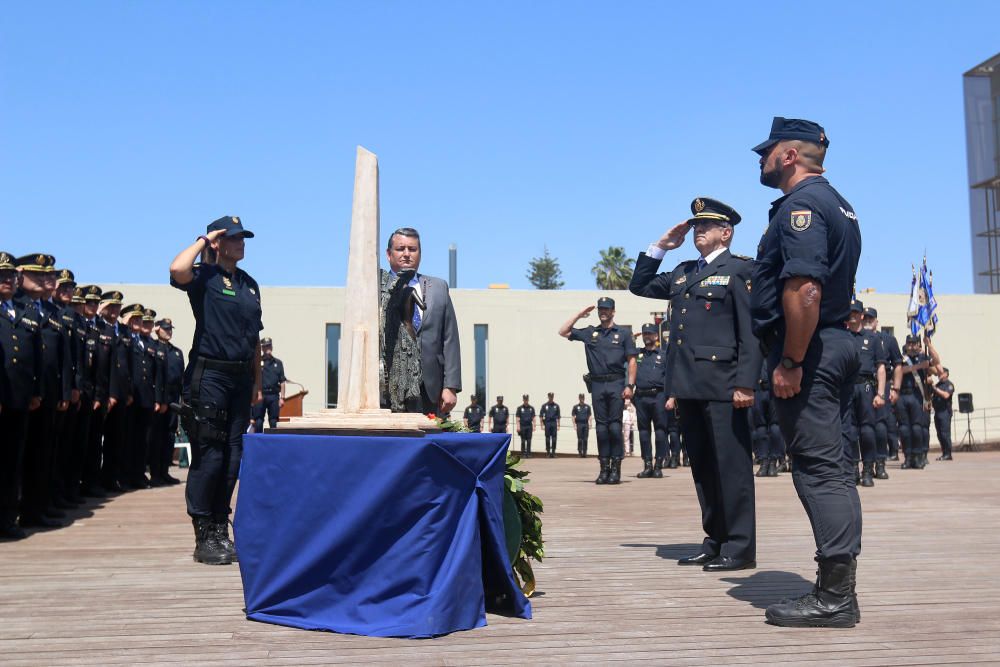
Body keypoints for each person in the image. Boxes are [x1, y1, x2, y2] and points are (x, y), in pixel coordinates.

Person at [750, 117, 862, 627]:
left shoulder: (801, 206)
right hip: (833, 342)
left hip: (810, 351)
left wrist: (792, 360)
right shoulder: (838, 203)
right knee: (834, 468)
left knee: (820, 471)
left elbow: (805, 290)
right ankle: (837, 587)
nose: (760, 159)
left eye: (767, 151)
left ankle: (836, 598)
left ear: (789, 155)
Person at [629, 196, 760, 572]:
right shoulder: (684, 271)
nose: (698, 230)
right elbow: (640, 285)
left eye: (707, 225)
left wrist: (746, 383)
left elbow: (750, 333)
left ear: (726, 232)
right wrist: (661, 247)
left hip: (725, 385)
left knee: (731, 468)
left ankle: (740, 545)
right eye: (695, 225)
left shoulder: (739, 270)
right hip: (688, 385)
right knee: (703, 467)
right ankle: (715, 540)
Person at [169, 215, 263, 566]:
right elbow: (177, 268)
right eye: (234, 238)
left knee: (233, 456)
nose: (241, 243)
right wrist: (202, 241)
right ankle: (204, 531)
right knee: (209, 455)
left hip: (240, 380)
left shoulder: (249, 284)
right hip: (210, 376)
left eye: (243, 238)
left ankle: (220, 525)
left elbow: (254, 339)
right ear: (219, 243)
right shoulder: (204, 277)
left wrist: (256, 382)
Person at [15, 253, 72, 528]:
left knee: (43, 454)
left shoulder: (52, 312)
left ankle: (36, 509)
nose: (45, 280)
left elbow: (62, 360)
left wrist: (63, 393)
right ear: (20, 274)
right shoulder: (14, 305)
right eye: (38, 275)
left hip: (46, 394)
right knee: (17, 457)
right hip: (20, 394)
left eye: (48, 275)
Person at [559, 297, 638, 485]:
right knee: (601, 428)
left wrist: (630, 385)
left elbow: (632, 361)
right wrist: (579, 315)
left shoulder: (624, 333)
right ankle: (604, 469)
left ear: (613, 311)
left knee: (615, 426)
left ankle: (616, 468)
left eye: (607, 309)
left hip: (617, 382)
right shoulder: (590, 333)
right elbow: (563, 331)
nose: (603, 312)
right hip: (597, 384)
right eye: (601, 309)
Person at [384, 228, 461, 415]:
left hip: (431, 389)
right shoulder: (377, 288)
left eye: (412, 249)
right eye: (400, 248)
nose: (406, 254)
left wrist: (450, 386)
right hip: (389, 388)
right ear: (389, 254)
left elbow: (450, 338)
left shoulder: (439, 288)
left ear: (420, 254)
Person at [0, 251, 43, 538]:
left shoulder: (23, 310)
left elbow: (34, 357)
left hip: (18, 398)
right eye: (1, 276)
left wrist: (35, 391)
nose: (7, 280)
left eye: (10, 276)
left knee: (11, 462)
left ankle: (6, 519)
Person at [843, 300, 886, 488]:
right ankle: (852, 468)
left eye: (855, 312)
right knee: (849, 431)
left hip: (866, 387)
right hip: (846, 387)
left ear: (861, 315)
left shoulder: (873, 338)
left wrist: (881, 393)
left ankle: (868, 468)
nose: (852, 315)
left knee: (867, 430)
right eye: (849, 312)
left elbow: (881, 367)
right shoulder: (842, 336)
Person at [864, 307, 900, 479]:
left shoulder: (888, 339)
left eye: (871, 319)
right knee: (862, 430)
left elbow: (898, 364)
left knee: (879, 428)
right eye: (865, 319)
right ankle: (865, 466)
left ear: (877, 321)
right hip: (862, 387)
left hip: (881, 386)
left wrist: (896, 389)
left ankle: (880, 464)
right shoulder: (854, 338)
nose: (867, 322)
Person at [632, 324, 670, 479]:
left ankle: (658, 464)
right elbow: (624, 360)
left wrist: (672, 397)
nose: (647, 336)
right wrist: (630, 340)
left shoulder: (663, 355)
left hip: (658, 396)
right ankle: (647, 464)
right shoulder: (637, 354)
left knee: (661, 431)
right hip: (641, 397)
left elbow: (671, 377)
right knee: (643, 432)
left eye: (650, 334)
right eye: (645, 334)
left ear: (656, 336)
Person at [151, 318, 183, 485]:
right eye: (165, 328)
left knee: (169, 436)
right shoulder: (153, 348)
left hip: (173, 400)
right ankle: (155, 473)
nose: (169, 331)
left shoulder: (176, 352)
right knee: (156, 436)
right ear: (157, 330)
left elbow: (181, 378)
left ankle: (164, 471)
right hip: (157, 399)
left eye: (170, 328)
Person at [898, 334, 933, 470]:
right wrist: (918, 367)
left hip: (917, 395)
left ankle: (918, 457)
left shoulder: (923, 356)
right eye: (909, 343)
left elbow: (936, 362)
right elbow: (898, 370)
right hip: (903, 394)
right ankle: (908, 457)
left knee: (917, 428)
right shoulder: (901, 358)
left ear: (918, 344)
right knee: (904, 429)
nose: (911, 346)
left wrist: (928, 345)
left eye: (914, 343)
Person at [752, 359, 786, 477]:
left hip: (760, 386)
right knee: (774, 426)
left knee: (761, 426)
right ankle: (771, 463)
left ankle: (765, 463)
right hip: (773, 386)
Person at [252, 337, 285, 432]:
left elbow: (282, 381)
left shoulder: (278, 363)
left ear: (272, 347)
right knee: (258, 421)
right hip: (261, 395)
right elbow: (254, 379)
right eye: (265, 346)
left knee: (274, 421)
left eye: (269, 346)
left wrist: (282, 397)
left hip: (273, 395)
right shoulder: (258, 363)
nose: (268, 348)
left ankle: (273, 443)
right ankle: (258, 442)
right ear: (262, 348)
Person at [930, 366, 954, 461]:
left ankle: (948, 453)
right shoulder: (938, 385)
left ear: (946, 374)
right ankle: (944, 453)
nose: (939, 374)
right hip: (938, 412)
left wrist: (935, 389)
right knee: (939, 434)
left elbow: (946, 395)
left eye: (941, 372)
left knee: (945, 433)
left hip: (945, 412)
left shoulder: (949, 385)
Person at [539, 392, 561, 458]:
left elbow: (558, 416)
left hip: (554, 423)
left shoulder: (556, 406)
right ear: (548, 397)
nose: (551, 398)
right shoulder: (544, 406)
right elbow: (541, 415)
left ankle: (553, 452)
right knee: (547, 438)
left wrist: (558, 425)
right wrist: (542, 425)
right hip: (547, 423)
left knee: (554, 438)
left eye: (552, 397)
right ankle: (548, 452)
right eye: (550, 396)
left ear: (553, 397)